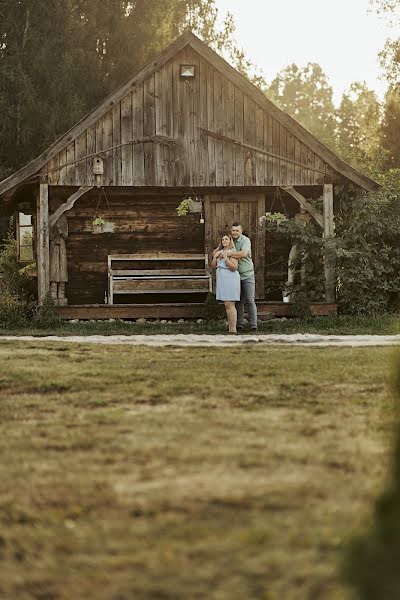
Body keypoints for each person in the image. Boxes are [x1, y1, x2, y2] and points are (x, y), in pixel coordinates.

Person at [224, 222, 258, 331]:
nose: (234, 232)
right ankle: (239, 325)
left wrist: (228, 254)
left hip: (247, 274)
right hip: (235, 276)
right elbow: (220, 250)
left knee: (250, 300)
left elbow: (244, 254)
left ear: (241, 231)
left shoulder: (245, 240)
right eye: (233, 230)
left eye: (237, 230)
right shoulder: (229, 241)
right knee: (238, 301)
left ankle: (254, 326)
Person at [211, 233, 241, 333]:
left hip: (230, 279)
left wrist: (226, 258)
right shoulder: (218, 251)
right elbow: (213, 266)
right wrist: (215, 257)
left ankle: (233, 329)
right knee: (226, 304)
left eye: (226, 239)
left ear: (230, 241)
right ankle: (230, 328)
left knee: (230, 304)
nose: (224, 241)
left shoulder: (232, 252)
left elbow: (234, 267)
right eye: (223, 239)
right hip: (222, 280)